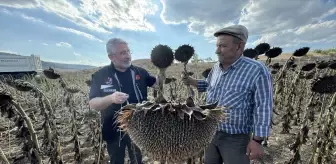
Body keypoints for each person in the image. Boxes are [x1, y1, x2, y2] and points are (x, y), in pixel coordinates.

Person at [182, 24, 273, 164]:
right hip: (210, 131)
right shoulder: (216, 68)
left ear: (239, 46)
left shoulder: (256, 70)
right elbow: (209, 85)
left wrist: (257, 140)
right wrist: (191, 81)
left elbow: (263, 106)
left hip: (236, 138)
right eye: (217, 46)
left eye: (222, 46)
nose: (217, 51)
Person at [88, 38, 157, 164]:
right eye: (123, 53)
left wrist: (162, 68)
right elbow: (93, 104)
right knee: (116, 160)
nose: (128, 56)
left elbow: (157, 85)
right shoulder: (100, 75)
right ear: (111, 57)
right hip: (113, 129)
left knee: (137, 160)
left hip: (139, 128)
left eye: (128, 51)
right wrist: (111, 98)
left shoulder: (140, 73)